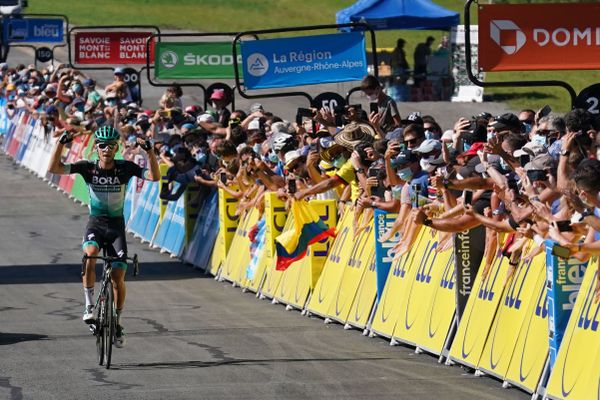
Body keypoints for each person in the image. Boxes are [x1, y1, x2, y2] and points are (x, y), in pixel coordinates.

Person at [47, 125, 160, 347]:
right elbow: (54, 168)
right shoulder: (87, 168)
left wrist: (150, 153)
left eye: (111, 146)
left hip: (116, 226)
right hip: (96, 223)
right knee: (90, 256)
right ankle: (89, 306)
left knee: (118, 277)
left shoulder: (125, 168)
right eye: (102, 146)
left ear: (116, 148)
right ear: (96, 148)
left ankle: (117, 321)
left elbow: (154, 177)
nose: (106, 150)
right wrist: (61, 143)